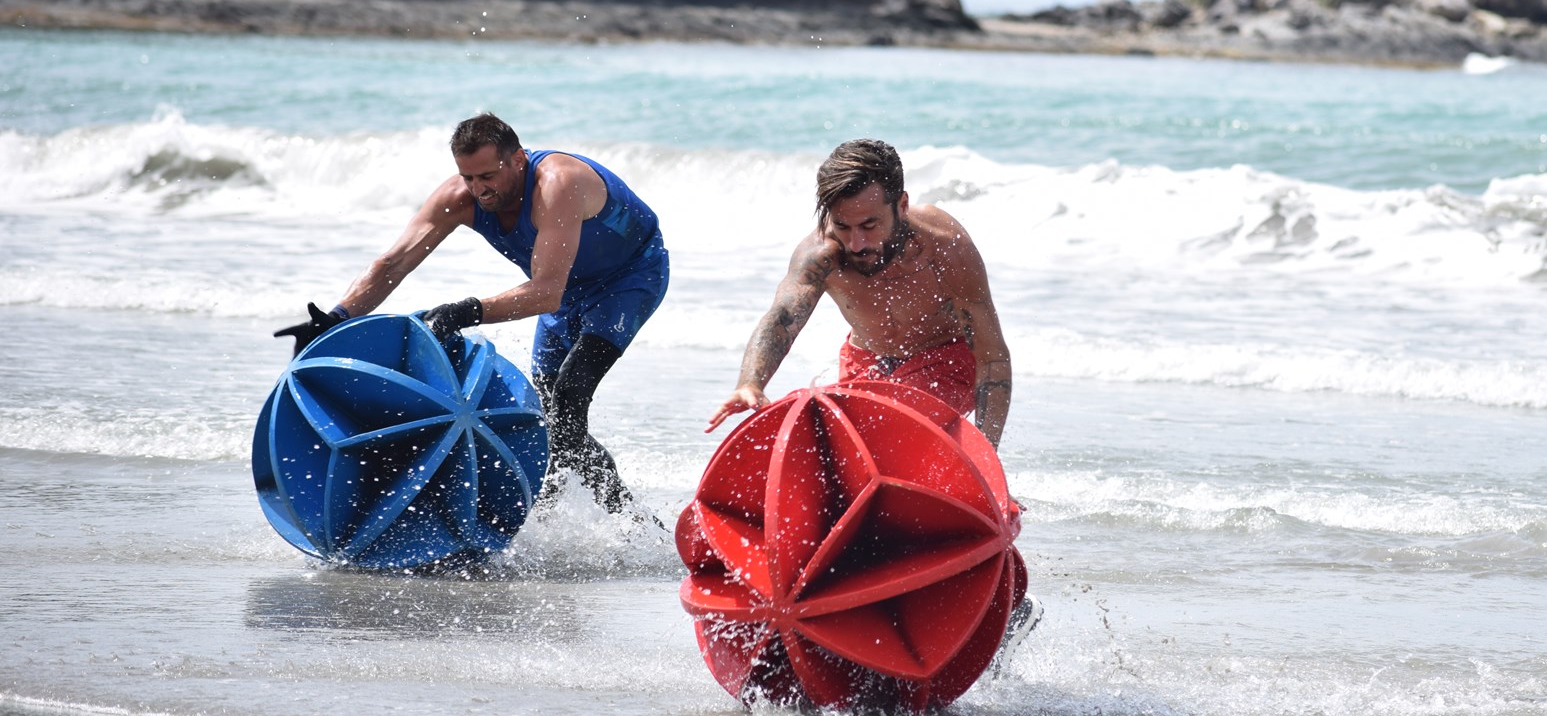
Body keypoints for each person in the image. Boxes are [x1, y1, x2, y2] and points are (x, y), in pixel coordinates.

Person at [275, 112, 668, 515]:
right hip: (566, 291)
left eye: (488, 176)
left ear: (518, 159)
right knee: (548, 417)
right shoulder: (460, 198)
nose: (479, 190)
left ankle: (589, 520)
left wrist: (467, 310)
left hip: (629, 278)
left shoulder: (557, 184)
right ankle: (600, 514)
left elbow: (545, 293)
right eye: (468, 177)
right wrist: (337, 317)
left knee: (568, 399)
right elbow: (393, 264)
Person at [706, 138, 1012, 447]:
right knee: (830, 440)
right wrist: (750, 383)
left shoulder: (944, 245)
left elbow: (992, 358)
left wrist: (987, 457)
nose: (856, 243)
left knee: (889, 431)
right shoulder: (821, 254)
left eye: (869, 225)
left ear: (902, 206)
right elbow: (782, 319)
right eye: (843, 226)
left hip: (946, 361)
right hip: (864, 361)